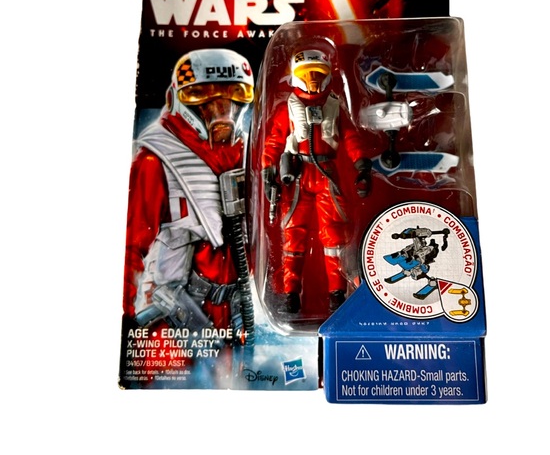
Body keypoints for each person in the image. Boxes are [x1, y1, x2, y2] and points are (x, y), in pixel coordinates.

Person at [123, 48, 254, 344]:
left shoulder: (250, 155)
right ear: (176, 99)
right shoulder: (154, 160)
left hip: (237, 315)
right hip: (174, 323)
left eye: (233, 95)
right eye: (202, 96)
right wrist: (125, 317)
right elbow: (130, 248)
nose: (221, 110)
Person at [261, 48, 372, 315]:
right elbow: (273, 141)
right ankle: (290, 293)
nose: (312, 79)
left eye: (318, 73)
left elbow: (351, 138)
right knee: (293, 235)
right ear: (295, 76)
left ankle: (337, 293)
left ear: (327, 75)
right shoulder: (286, 109)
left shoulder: (335, 107)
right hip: (297, 175)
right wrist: (268, 171)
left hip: (327, 175)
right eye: (307, 74)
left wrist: (361, 164)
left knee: (334, 236)